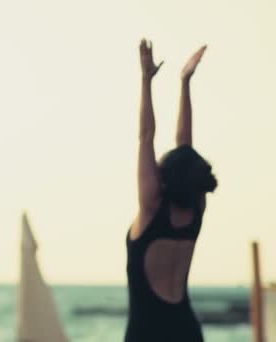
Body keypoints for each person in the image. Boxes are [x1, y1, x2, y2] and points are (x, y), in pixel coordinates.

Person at [125, 40, 218, 342]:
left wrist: (145, 79)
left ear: (162, 179)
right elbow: (185, 149)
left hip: (146, 333)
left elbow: (145, 136)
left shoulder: (152, 208)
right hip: (186, 330)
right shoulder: (195, 211)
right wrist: (184, 82)